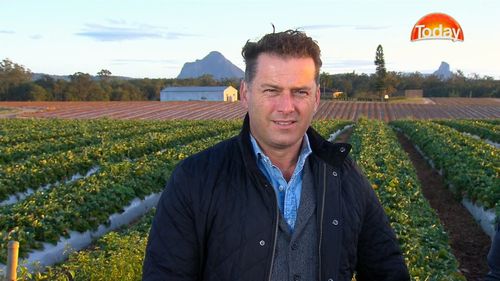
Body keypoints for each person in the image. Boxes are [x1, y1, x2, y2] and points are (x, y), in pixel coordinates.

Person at [143, 30, 410, 281]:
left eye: (300, 92)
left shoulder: (344, 176)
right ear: (246, 94)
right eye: (271, 90)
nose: (286, 107)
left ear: (316, 98)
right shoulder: (195, 179)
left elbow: (387, 267)